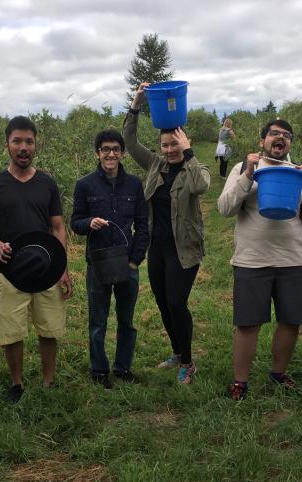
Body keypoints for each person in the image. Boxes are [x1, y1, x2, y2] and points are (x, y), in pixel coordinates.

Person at [217, 119, 302, 400]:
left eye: (286, 136)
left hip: (293, 260)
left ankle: (278, 373)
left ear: (289, 144)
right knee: (248, 323)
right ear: (262, 140)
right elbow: (225, 209)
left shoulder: (297, 173)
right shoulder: (243, 168)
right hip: (252, 260)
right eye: (274, 134)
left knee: (291, 321)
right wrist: (248, 174)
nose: (280, 138)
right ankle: (240, 382)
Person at [0, 116, 73, 403]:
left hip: (46, 268)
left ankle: (48, 381)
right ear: (6, 144)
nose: (23, 147)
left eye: (28, 142)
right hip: (10, 270)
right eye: (17, 141)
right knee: (12, 331)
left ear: (36, 145)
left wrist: (63, 268)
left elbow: (58, 226)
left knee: (49, 327)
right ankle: (16, 384)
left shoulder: (46, 183)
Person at [123, 82, 210, 384]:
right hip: (157, 247)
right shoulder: (154, 165)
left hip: (184, 248)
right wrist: (136, 104)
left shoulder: (196, 168)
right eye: (166, 145)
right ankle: (176, 351)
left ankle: (188, 361)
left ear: (184, 143)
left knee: (176, 302)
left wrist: (189, 154)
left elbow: (201, 187)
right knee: (161, 301)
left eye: (175, 144)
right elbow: (130, 142)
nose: (170, 150)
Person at [71, 130, 149, 388]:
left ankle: (123, 367)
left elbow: (142, 224)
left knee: (127, 321)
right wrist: (88, 223)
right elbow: (75, 223)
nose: (111, 154)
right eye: (105, 149)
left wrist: (135, 260)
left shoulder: (134, 184)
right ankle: (99, 370)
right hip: (98, 263)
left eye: (116, 149)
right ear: (97, 153)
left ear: (122, 153)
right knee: (98, 322)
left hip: (127, 263)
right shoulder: (85, 185)